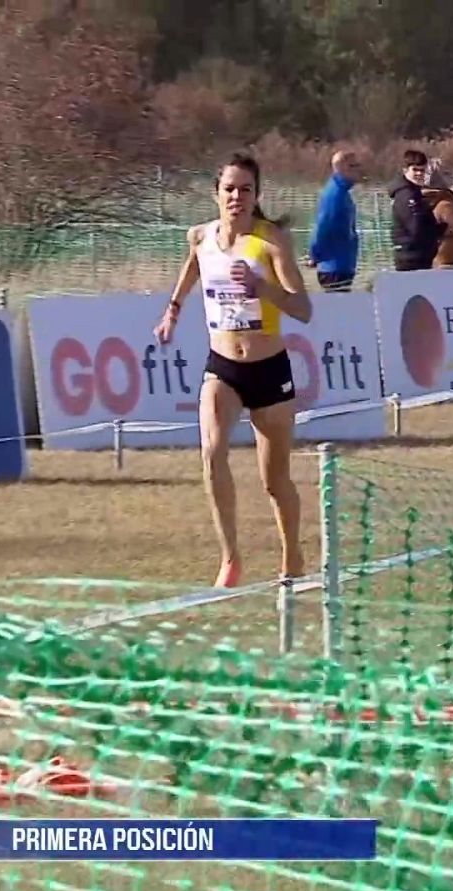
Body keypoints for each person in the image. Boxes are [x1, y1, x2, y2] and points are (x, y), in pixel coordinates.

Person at [154, 152, 314, 589]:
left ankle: (293, 553)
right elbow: (193, 266)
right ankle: (230, 559)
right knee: (212, 451)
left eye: (246, 189)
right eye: (229, 189)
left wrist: (264, 289)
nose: (237, 197)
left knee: (274, 480)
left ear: (257, 195)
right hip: (222, 366)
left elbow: (303, 309)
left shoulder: (272, 241)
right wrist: (172, 310)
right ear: (216, 193)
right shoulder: (201, 236)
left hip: (269, 371)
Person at [306, 149, 363, 291]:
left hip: (342, 265)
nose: (359, 170)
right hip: (334, 268)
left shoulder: (342, 193)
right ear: (344, 168)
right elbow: (322, 228)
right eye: (355, 166)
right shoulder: (335, 195)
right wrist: (315, 255)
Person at [386, 149, 441, 271]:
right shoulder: (407, 195)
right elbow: (416, 228)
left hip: (418, 256)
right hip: (411, 258)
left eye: (422, 170)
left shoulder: (415, 192)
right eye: (415, 170)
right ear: (405, 170)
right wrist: (438, 230)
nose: (419, 174)